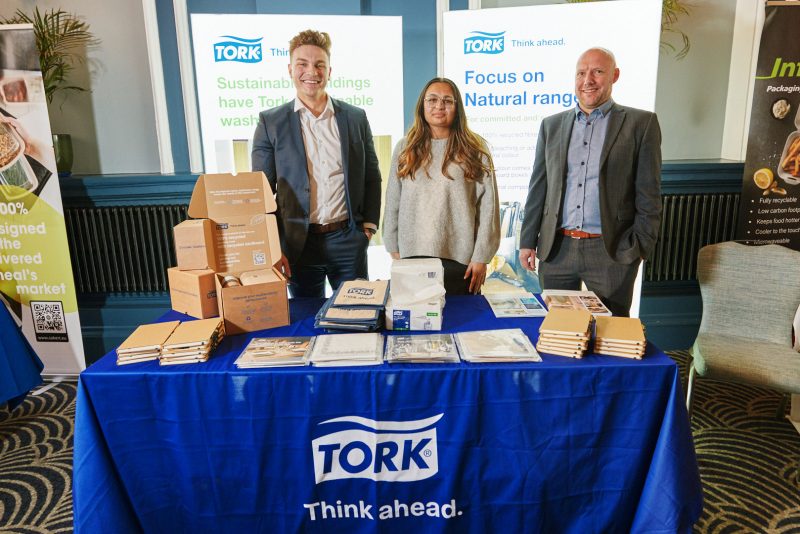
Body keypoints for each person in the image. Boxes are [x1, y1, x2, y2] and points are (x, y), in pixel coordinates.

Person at [518, 47, 662, 317]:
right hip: (557, 249)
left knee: (609, 335)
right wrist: (528, 240)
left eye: (597, 71)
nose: (588, 80)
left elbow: (649, 194)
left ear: (614, 75)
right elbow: (538, 187)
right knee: (559, 330)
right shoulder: (552, 125)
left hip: (610, 252)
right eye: (581, 73)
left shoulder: (641, 124)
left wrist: (639, 247)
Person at [251, 29, 381, 298]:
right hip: (298, 244)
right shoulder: (270, 122)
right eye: (303, 64)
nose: (312, 71)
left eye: (319, 65)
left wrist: (367, 228)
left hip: (347, 239)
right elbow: (260, 194)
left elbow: (371, 176)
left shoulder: (355, 118)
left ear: (329, 71)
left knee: (357, 316)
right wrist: (273, 248)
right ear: (290, 69)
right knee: (306, 322)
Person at [383, 77, 500, 295]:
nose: (439, 106)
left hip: (461, 259)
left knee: (462, 324)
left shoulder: (475, 149)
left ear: (457, 108)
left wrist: (481, 256)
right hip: (412, 256)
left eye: (447, 101)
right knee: (418, 323)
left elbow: (488, 208)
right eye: (432, 100)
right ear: (422, 105)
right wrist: (392, 245)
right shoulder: (405, 148)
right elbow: (393, 200)